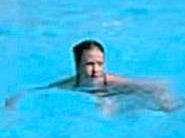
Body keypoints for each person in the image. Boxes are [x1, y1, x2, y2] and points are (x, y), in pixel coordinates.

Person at [4, 39, 175, 111]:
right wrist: (15, 99)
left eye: (100, 64)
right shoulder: (71, 85)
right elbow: (42, 90)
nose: (96, 70)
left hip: (120, 96)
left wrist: (163, 100)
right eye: (89, 64)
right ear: (77, 66)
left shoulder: (111, 81)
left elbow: (155, 86)